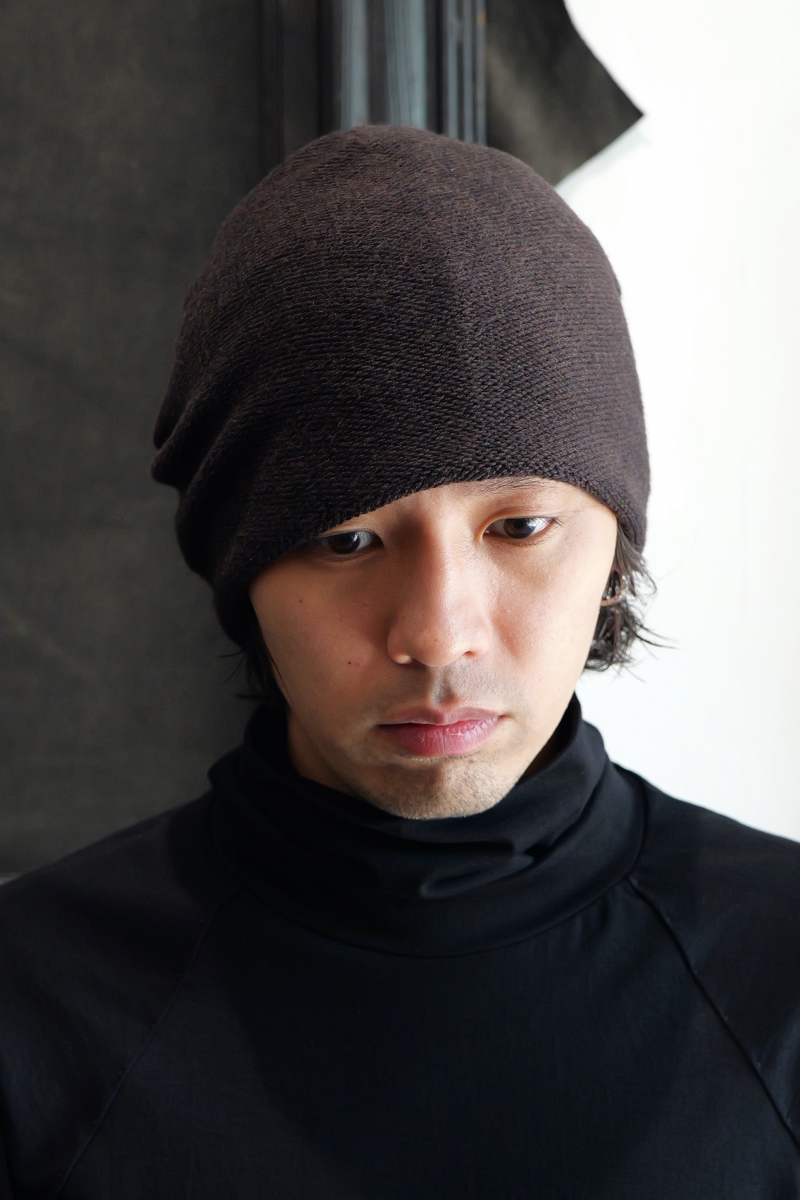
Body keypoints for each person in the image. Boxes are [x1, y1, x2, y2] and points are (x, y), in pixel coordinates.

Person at [1, 126, 799, 1200]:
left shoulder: (782, 975)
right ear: (239, 567)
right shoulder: (29, 1002)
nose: (436, 634)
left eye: (519, 528)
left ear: (614, 546)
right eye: (347, 539)